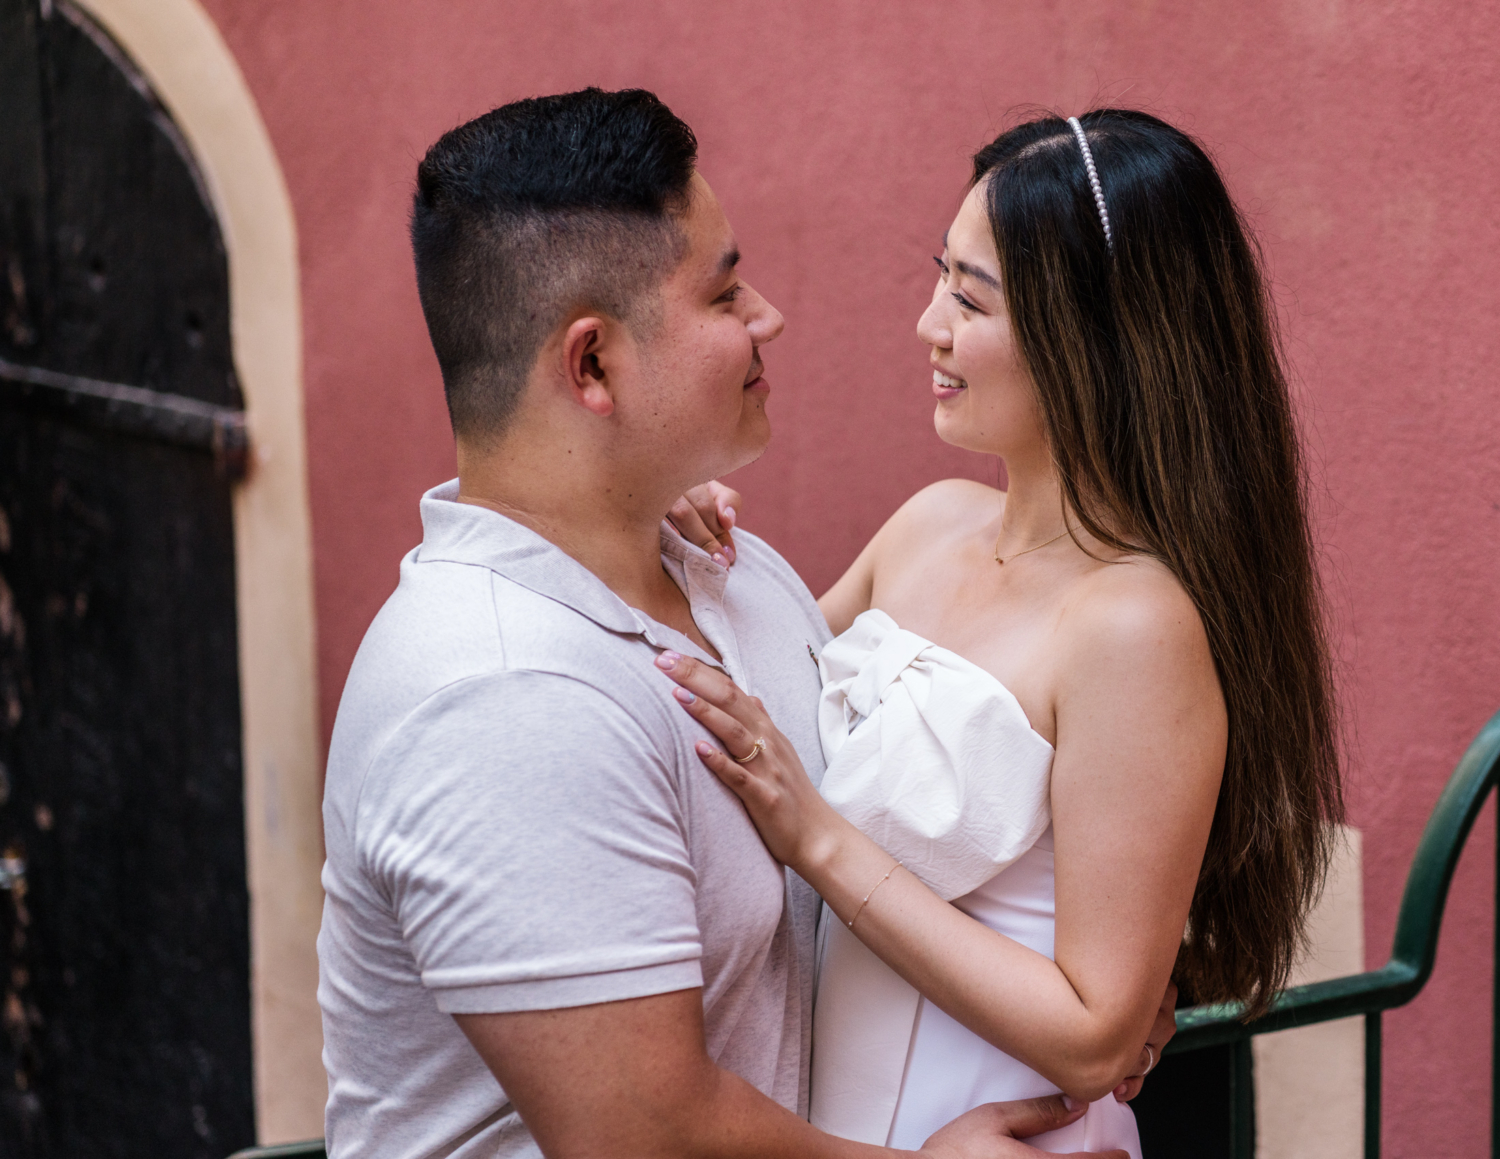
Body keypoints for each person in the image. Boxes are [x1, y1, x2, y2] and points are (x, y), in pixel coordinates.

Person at [316, 88, 1144, 1159]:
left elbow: (900, 808)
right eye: (725, 294)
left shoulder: (726, 568)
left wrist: (1086, 990)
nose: (768, 318)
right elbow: (643, 1136)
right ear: (593, 365)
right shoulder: (505, 692)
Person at [655, 110, 1343, 1157]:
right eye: (940, 278)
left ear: (1096, 337)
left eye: (970, 298)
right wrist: (663, 520)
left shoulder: (1135, 623)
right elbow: (741, 715)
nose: (928, 324)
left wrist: (821, 839)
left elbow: (1097, 1030)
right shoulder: (927, 524)